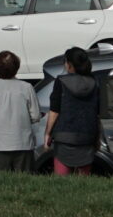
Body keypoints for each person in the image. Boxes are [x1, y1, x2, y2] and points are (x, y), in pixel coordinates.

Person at [0, 50, 40, 172]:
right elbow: (36, 116)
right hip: (23, 143)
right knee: (25, 179)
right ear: (17, 68)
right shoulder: (26, 87)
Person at [43, 46, 102, 176]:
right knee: (84, 180)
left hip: (64, 137)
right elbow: (96, 113)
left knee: (61, 180)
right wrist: (97, 137)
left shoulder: (61, 81)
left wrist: (48, 133)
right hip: (87, 137)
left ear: (69, 64)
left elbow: (54, 111)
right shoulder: (95, 82)